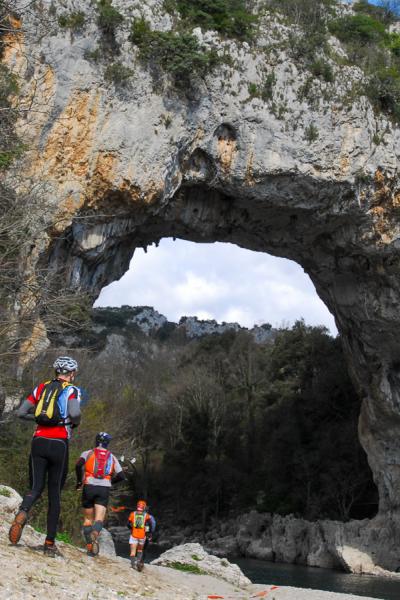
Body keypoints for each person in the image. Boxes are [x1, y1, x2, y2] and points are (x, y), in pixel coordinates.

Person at [9, 356, 81, 556]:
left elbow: (21, 413)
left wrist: (42, 419)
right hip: (59, 444)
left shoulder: (41, 388)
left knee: (35, 487)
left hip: (38, 441)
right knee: (55, 494)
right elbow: (74, 414)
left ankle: (23, 512)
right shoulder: (72, 390)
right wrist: (71, 422)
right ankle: (49, 544)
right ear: (72, 374)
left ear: (56, 371)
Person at [75, 431, 125, 556]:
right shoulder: (112, 457)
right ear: (107, 443)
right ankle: (95, 535)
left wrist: (79, 481)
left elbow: (78, 465)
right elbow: (122, 476)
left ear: (96, 441)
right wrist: (110, 482)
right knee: (99, 519)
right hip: (104, 489)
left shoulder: (87, 453)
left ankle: (89, 545)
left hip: (89, 486)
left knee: (87, 519)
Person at [127, 500, 156, 571]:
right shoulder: (148, 516)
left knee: (133, 551)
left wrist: (131, 529)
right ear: (144, 508)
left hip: (134, 535)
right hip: (143, 536)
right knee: (141, 550)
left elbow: (128, 524)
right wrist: (150, 533)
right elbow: (152, 525)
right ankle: (140, 563)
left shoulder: (133, 514)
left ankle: (133, 565)